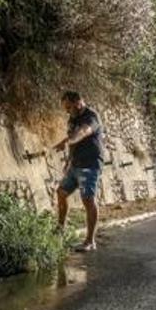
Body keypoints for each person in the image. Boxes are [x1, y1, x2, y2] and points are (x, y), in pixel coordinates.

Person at [54, 91, 104, 252]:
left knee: (88, 200)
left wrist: (67, 141)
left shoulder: (91, 117)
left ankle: (90, 241)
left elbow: (82, 133)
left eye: (69, 107)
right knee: (61, 193)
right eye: (65, 108)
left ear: (78, 102)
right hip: (75, 165)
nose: (67, 111)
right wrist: (69, 161)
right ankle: (60, 230)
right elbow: (73, 141)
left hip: (90, 165)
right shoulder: (72, 119)